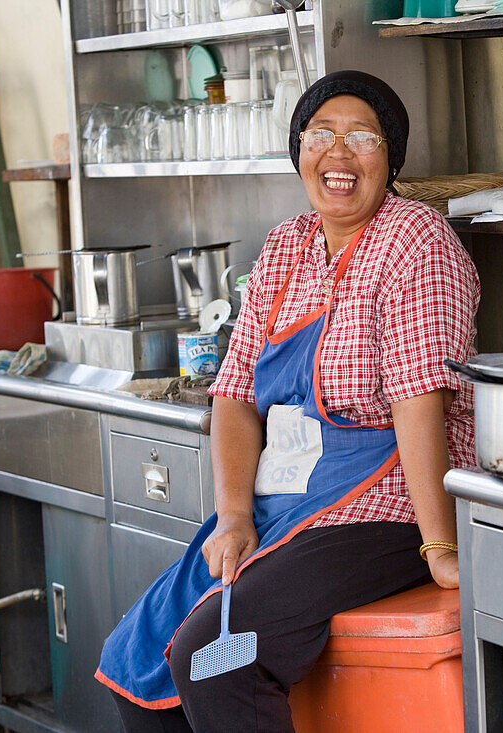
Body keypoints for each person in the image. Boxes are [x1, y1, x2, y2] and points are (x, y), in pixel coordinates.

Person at [96, 70, 480, 733]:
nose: (339, 153)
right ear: (298, 150)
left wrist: (441, 545)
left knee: (214, 657)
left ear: (391, 159)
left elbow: (419, 400)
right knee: (135, 662)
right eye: (320, 134)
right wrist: (233, 514)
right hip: (285, 505)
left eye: (362, 136)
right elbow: (237, 393)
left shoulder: (414, 239)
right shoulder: (285, 247)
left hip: (387, 501)